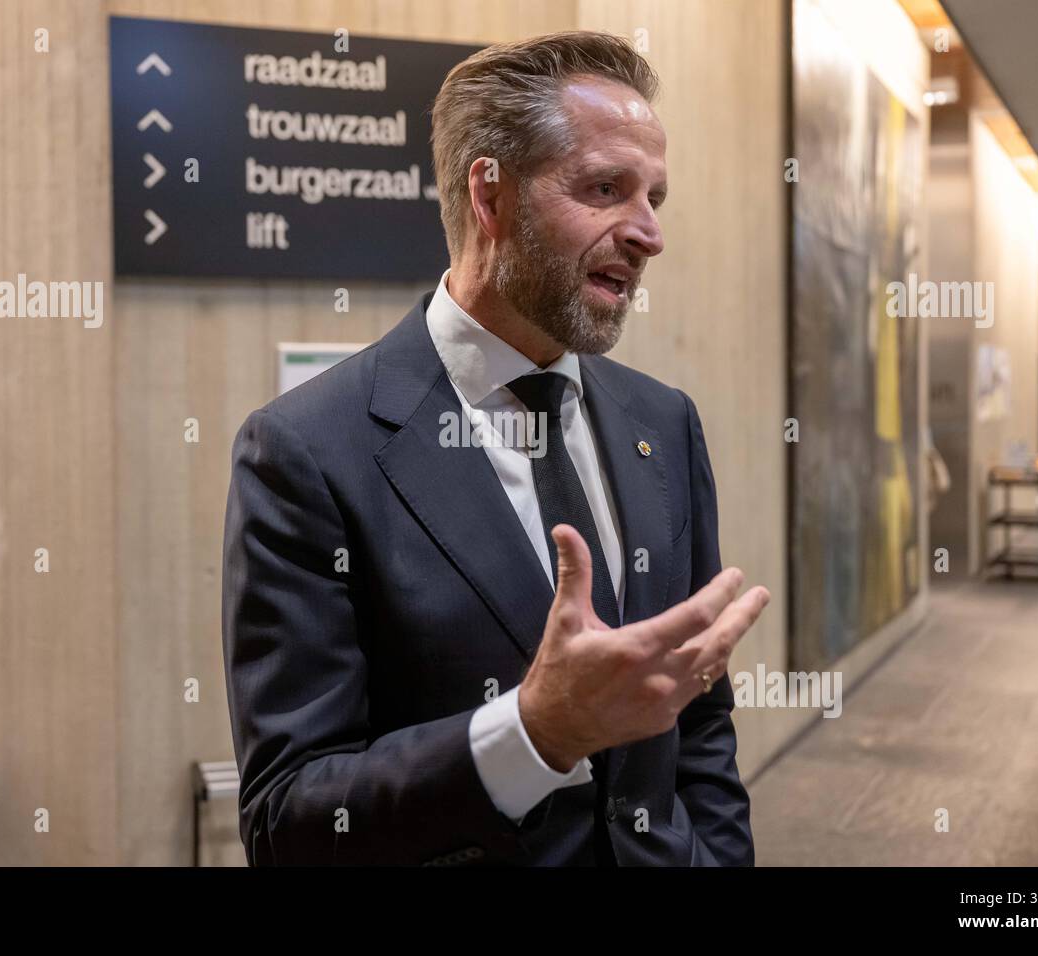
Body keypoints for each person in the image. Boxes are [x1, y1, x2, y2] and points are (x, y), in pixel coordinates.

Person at [222, 30, 770, 866]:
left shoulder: (666, 423)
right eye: (606, 188)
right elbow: (290, 819)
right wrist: (533, 732)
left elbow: (699, 723)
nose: (649, 233)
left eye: (655, 195)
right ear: (491, 195)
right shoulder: (305, 453)